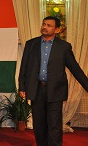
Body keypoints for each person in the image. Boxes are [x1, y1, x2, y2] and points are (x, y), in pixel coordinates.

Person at [18, 16, 88, 146]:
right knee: (39, 125)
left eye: (49, 25)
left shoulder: (64, 47)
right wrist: (22, 86)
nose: (45, 27)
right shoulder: (31, 44)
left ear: (57, 29)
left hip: (55, 91)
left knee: (54, 125)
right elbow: (24, 67)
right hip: (36, 89)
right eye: (44, 24)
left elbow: (75, 69)